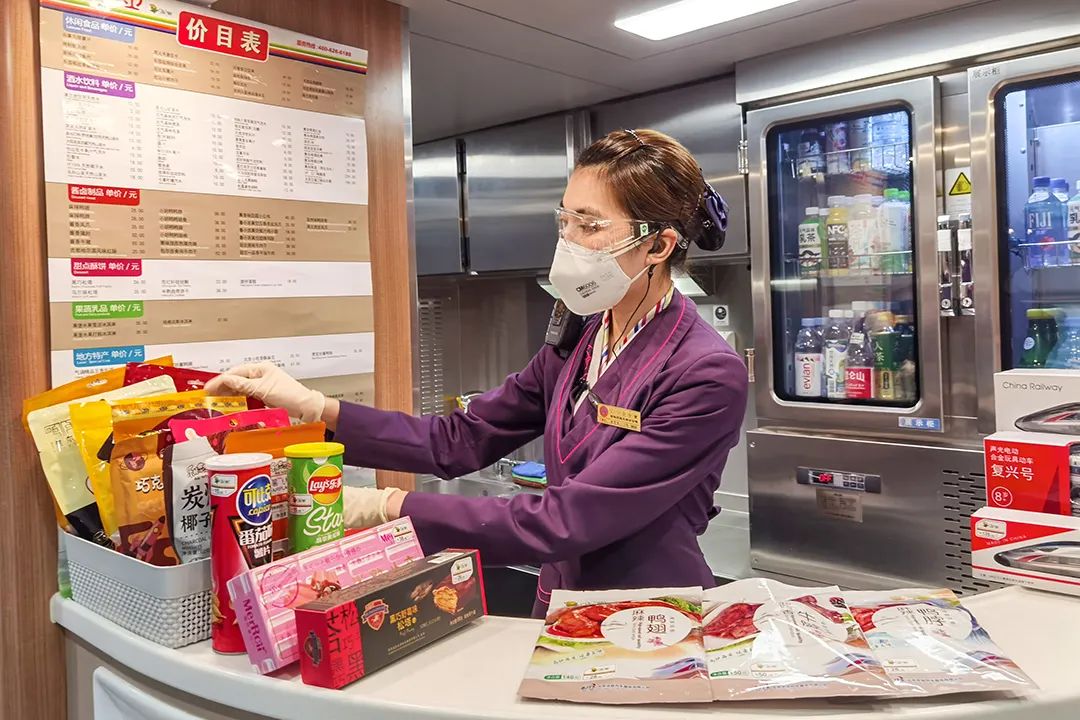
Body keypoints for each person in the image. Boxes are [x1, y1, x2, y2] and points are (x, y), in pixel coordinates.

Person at [206, 129, 749, 616]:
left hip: (647, 613)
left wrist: (387, 507)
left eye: (589, 225)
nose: (568, 240)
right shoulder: (582, 335)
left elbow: (567, 520)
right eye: (565, 219)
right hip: (559, 606)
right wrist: (315, 410)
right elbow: (459, 441)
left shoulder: (705, 373)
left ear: (658, 244)